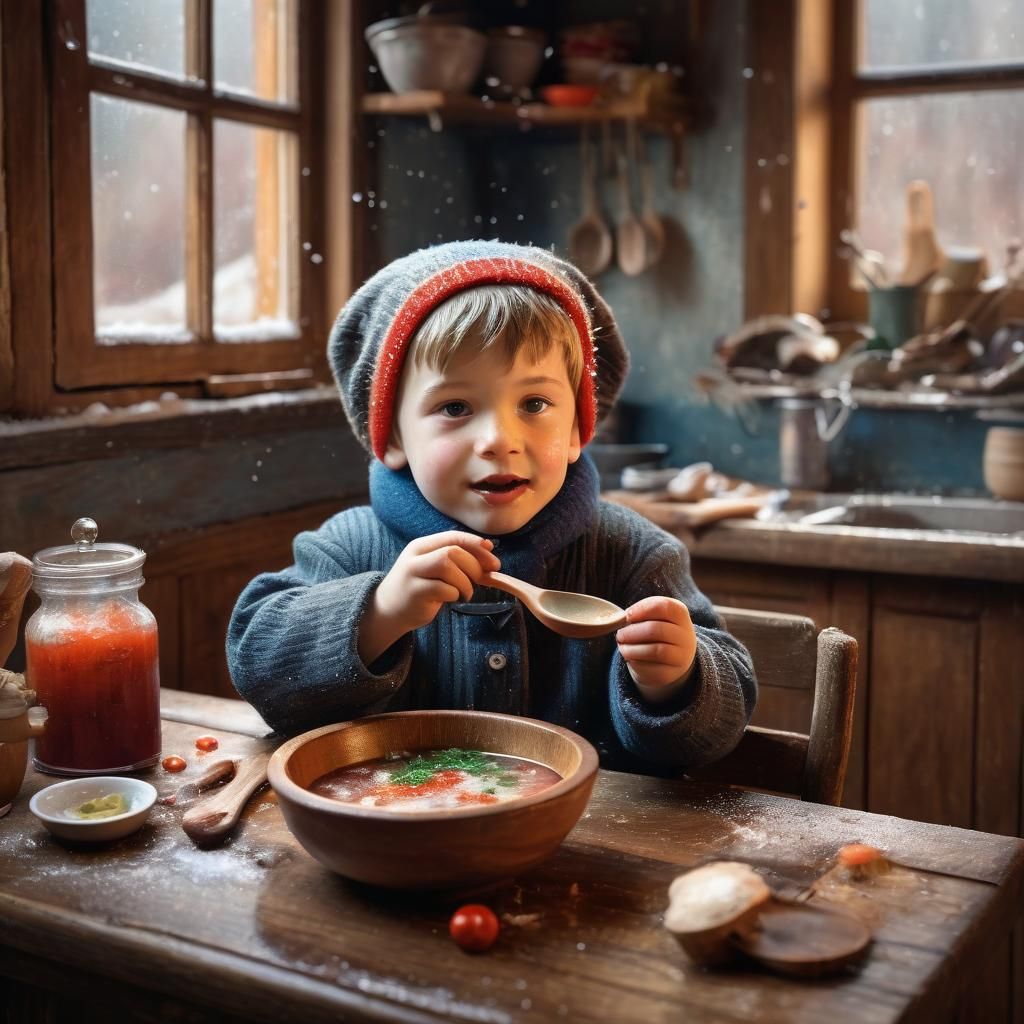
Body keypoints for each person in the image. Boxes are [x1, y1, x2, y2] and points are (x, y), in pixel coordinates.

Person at [227, 240, 756, 773]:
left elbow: (721, 726)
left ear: (578, 428)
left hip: (590, 823)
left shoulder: (632, 554)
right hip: (393, 818)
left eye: (535, 403)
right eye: (455, 407)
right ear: (393, 437)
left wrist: (675, 680)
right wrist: (380, 614)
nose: (500, 440)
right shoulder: (347, 548)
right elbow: (260, 668)